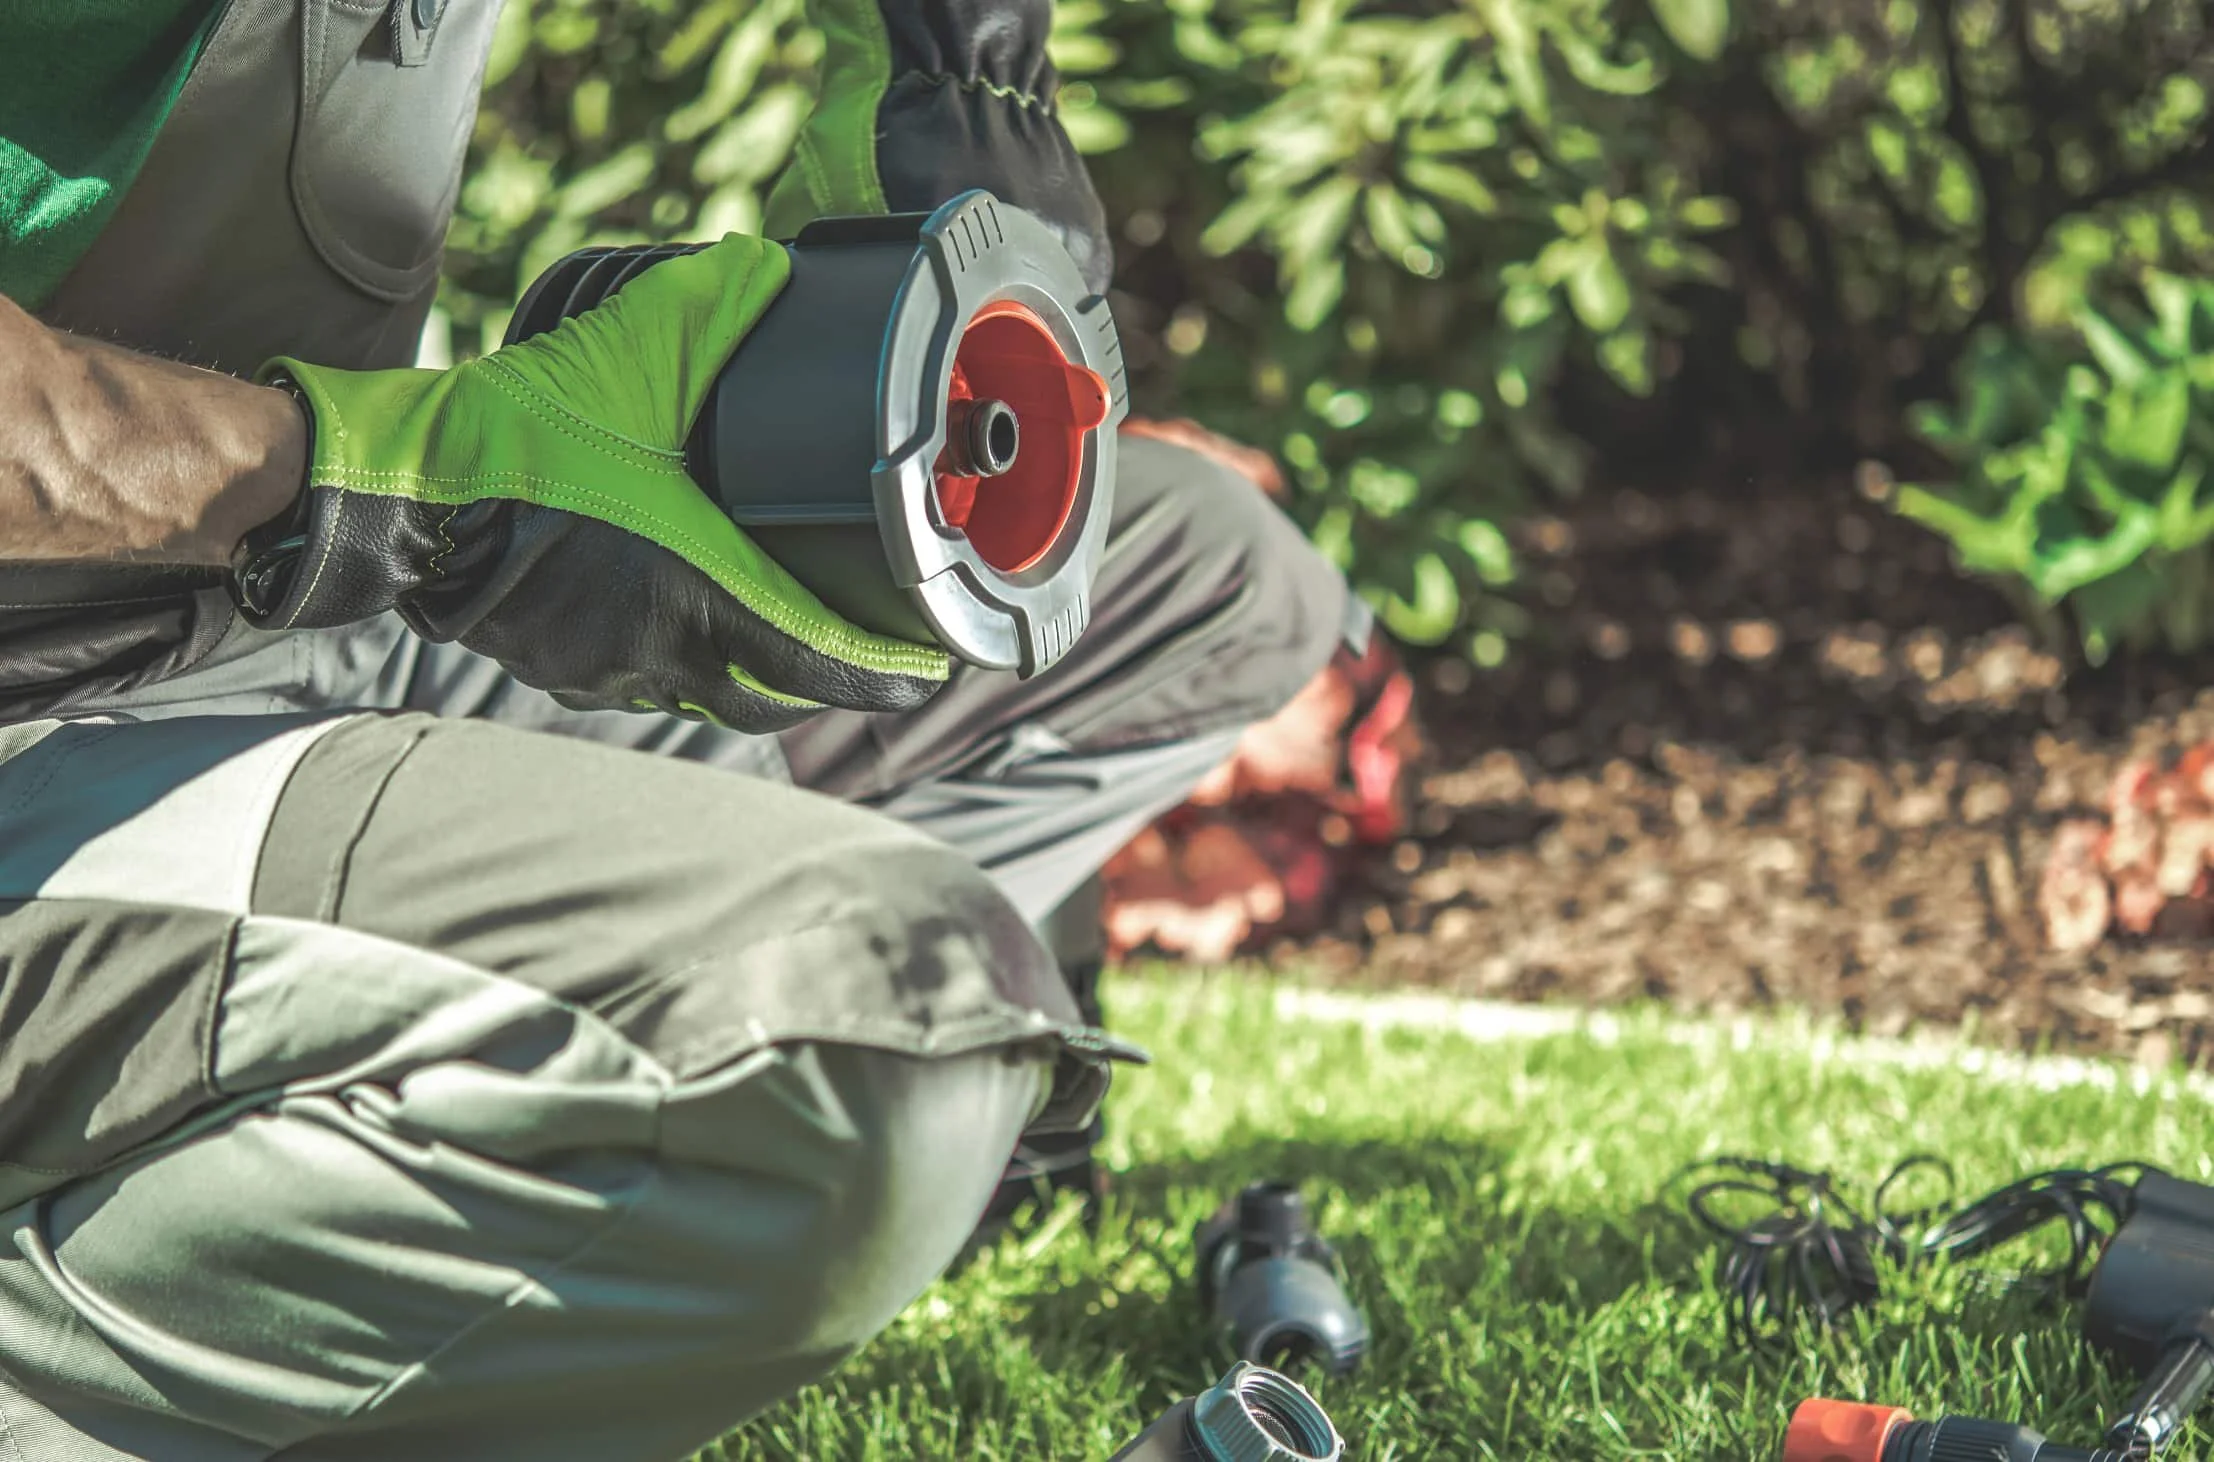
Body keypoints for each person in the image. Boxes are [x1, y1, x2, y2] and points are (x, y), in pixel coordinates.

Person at [0, 0, 1359, 1456]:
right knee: (870, 1025)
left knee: (1213, 578)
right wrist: (369, 481)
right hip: (49, 728)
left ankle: (606, 1095)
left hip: (298, 621)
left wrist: (959, 70)